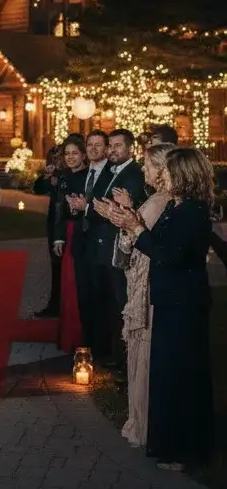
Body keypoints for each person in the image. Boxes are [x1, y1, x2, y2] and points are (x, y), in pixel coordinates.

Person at [101, 148, 216, 470]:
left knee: (181, 379)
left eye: (170, 171)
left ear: (184, 175)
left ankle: (185, 450)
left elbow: (169, 255)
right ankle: (172, 444)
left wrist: (135, 228)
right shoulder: (178, 209)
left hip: (183, 305)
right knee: (168, 377)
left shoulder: (191, 211)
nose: (164, 176)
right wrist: (134, 222)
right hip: (169, 301)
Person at [93, 143, 173, 447]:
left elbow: (140, 239)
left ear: (162, 169)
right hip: (142, 277)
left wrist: (123, 220)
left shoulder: (160, 202)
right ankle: (141, 419)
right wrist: (125, 215)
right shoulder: (154, 199)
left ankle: (146, 423)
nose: (143, 170)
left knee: (145, 353)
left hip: (148, 283)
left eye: (148, 165)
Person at [64, 129, 145, 373]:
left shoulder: (129, 173)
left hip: (113, 245)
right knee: (99, 300)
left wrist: (88, 207)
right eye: (111, 145)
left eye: (115, 146)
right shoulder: (112, 170)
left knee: (115, 302)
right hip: (94, 246)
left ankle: (118, 358)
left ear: (129, 148)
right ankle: (101, 350)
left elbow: (113, 207)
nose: (111, 150)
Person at [52, 135, 87, 354]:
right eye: (67, 154)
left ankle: (81, 336)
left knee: (79, 283)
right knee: (67, 283)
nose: (71, 157)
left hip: (82, 230)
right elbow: (58, 208)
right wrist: (58, 236)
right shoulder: (64, 177)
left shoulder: (89, 176)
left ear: (83, 155)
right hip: (68, 231)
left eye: (75, 153)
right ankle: (67, 336)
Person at [32, 145, 65, 317]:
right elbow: (37, 189)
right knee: (55, 266)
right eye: (52, 159)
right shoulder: (52, 175)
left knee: (63, 267)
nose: (56, 162)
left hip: (65, 226)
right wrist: (46, 176)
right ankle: (54, 304)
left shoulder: (69, 175)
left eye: (59, 158)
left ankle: (62, 306)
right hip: (53, 224)